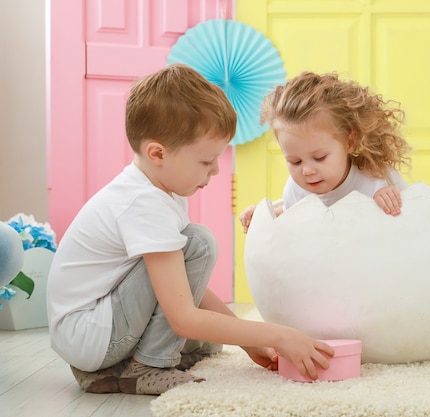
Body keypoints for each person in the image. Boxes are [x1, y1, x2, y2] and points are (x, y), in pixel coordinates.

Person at [46, 63, 333, 396]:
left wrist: (245, 341)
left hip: (94, 333)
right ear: (158, 153)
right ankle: (148, 366)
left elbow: (178, 288)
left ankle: (114, 371)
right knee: (199, 243)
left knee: (208, 343)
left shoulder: (158, 191)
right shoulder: (144, 204)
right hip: (91, 335)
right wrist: (278, 335)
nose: (214, 171)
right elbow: (181, 315)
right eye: (205, 160)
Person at [239, 71, 411, 233]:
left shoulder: (377, 178)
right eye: (295, 161)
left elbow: (417, 218)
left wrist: (390, 201)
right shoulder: (295, 189)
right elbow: (292, 222)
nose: (307, 171)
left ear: (349, 142)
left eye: (319, 158)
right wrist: (264, 217)